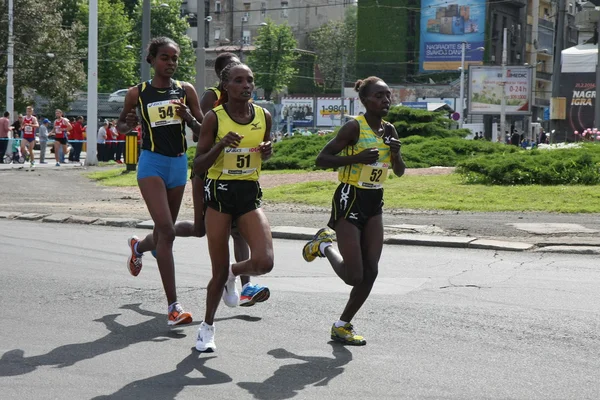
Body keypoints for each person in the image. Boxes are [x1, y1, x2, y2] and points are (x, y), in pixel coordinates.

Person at [301, 76, 406, 346]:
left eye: (388, 95)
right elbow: (321, 159)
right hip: (350, 198)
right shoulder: (353, 128)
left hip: (375, 200)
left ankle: (342, 325)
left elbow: (400, 171)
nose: (386, 100)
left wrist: (396, 154)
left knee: (371, 271)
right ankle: (323, 245)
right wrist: (356, 158)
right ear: (365, 100)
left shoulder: (390, 129)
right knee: (354, 276)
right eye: (380, 96)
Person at [118, 37, 203, 327]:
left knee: (162, 234)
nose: (170, 63)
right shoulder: (137, 93)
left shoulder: (185, 90)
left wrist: (189, 117)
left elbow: (204, 130)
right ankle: (174, 307)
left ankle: (139, 247)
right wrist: (128, 124)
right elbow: (121, 124)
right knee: (167, 231)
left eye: (174, 58)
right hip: (151, 163)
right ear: (152, 60)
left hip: (179, 164)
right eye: (165, 57)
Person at [194, 62, 274, 352]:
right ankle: (207, 329)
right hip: (218, 197)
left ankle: (233, 273)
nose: (246, 85)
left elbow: (263, 152)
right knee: (216, 274)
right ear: (225, 87)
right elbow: (199, 164)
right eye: (239, 80)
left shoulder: (264, 115)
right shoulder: (214, 118)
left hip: (249, 195)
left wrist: (267, 152)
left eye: (250, 80)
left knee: (265, 262)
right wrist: (220, 145)